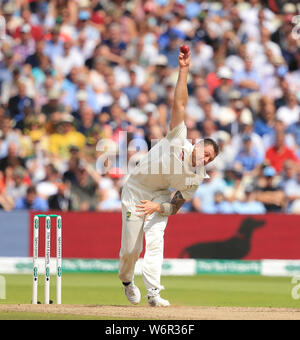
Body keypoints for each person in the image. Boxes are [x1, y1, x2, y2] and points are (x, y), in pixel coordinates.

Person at [118, 49, 219, 307]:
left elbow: (175, 206)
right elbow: (180, 104)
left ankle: (153, 293)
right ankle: (127, 281)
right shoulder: (178, 139)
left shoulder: (197, 178)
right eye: (205, 153)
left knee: (155, 241)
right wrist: (184, 70)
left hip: (160, 195)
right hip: (135, 190)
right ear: (196, 145)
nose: (205, 159)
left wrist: (157, 207)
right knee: (131, 248)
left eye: (210, 159)